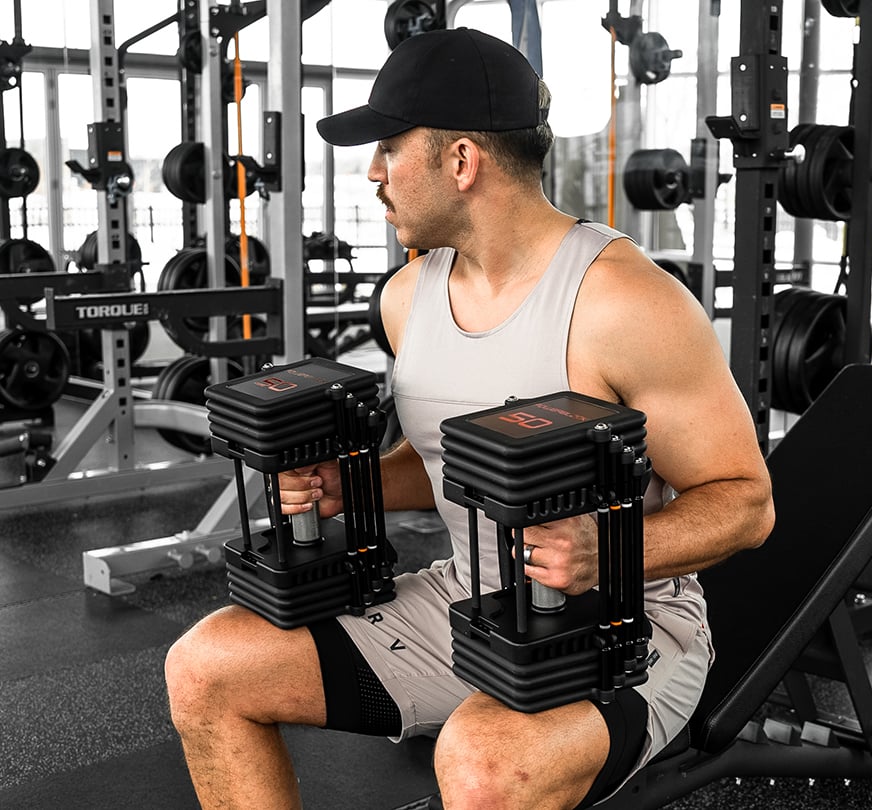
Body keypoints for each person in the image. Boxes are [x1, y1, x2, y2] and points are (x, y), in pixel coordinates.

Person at [165, 27, 773, 810]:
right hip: (465, 602)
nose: (374, 175)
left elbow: (747, 503)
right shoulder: (406, 296)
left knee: (484, 765)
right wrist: (349, 489)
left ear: (460, 161)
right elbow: (444, 461)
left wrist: (607, 553)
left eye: (389, 150)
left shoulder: (625, 302)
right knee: (206, 666)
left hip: (630, 623)